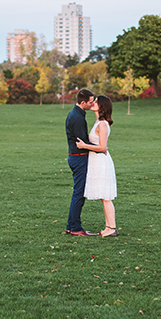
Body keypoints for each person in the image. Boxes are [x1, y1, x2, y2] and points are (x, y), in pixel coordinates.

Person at [76, 95, 118, 237]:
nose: (93, 103)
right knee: (103, 196)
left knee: (106, 196)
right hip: (96, 161)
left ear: (102, 107)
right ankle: (108, 227)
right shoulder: (98, 122)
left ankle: (112, 228)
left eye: (96, 102)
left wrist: (83, 146)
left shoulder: (102, 124)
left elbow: (103, 148)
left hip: (101, 162)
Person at [65, 88, 99, 236]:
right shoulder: (78, 118)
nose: (92, 104)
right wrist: (100, 148)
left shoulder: (75, 114)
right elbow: (82, 141)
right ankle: (76, 228)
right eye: (90, 102)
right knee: (79, 193)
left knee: (78, 192)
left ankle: (71, 225)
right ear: (83, 102)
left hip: (75, 157)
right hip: (79, 158)